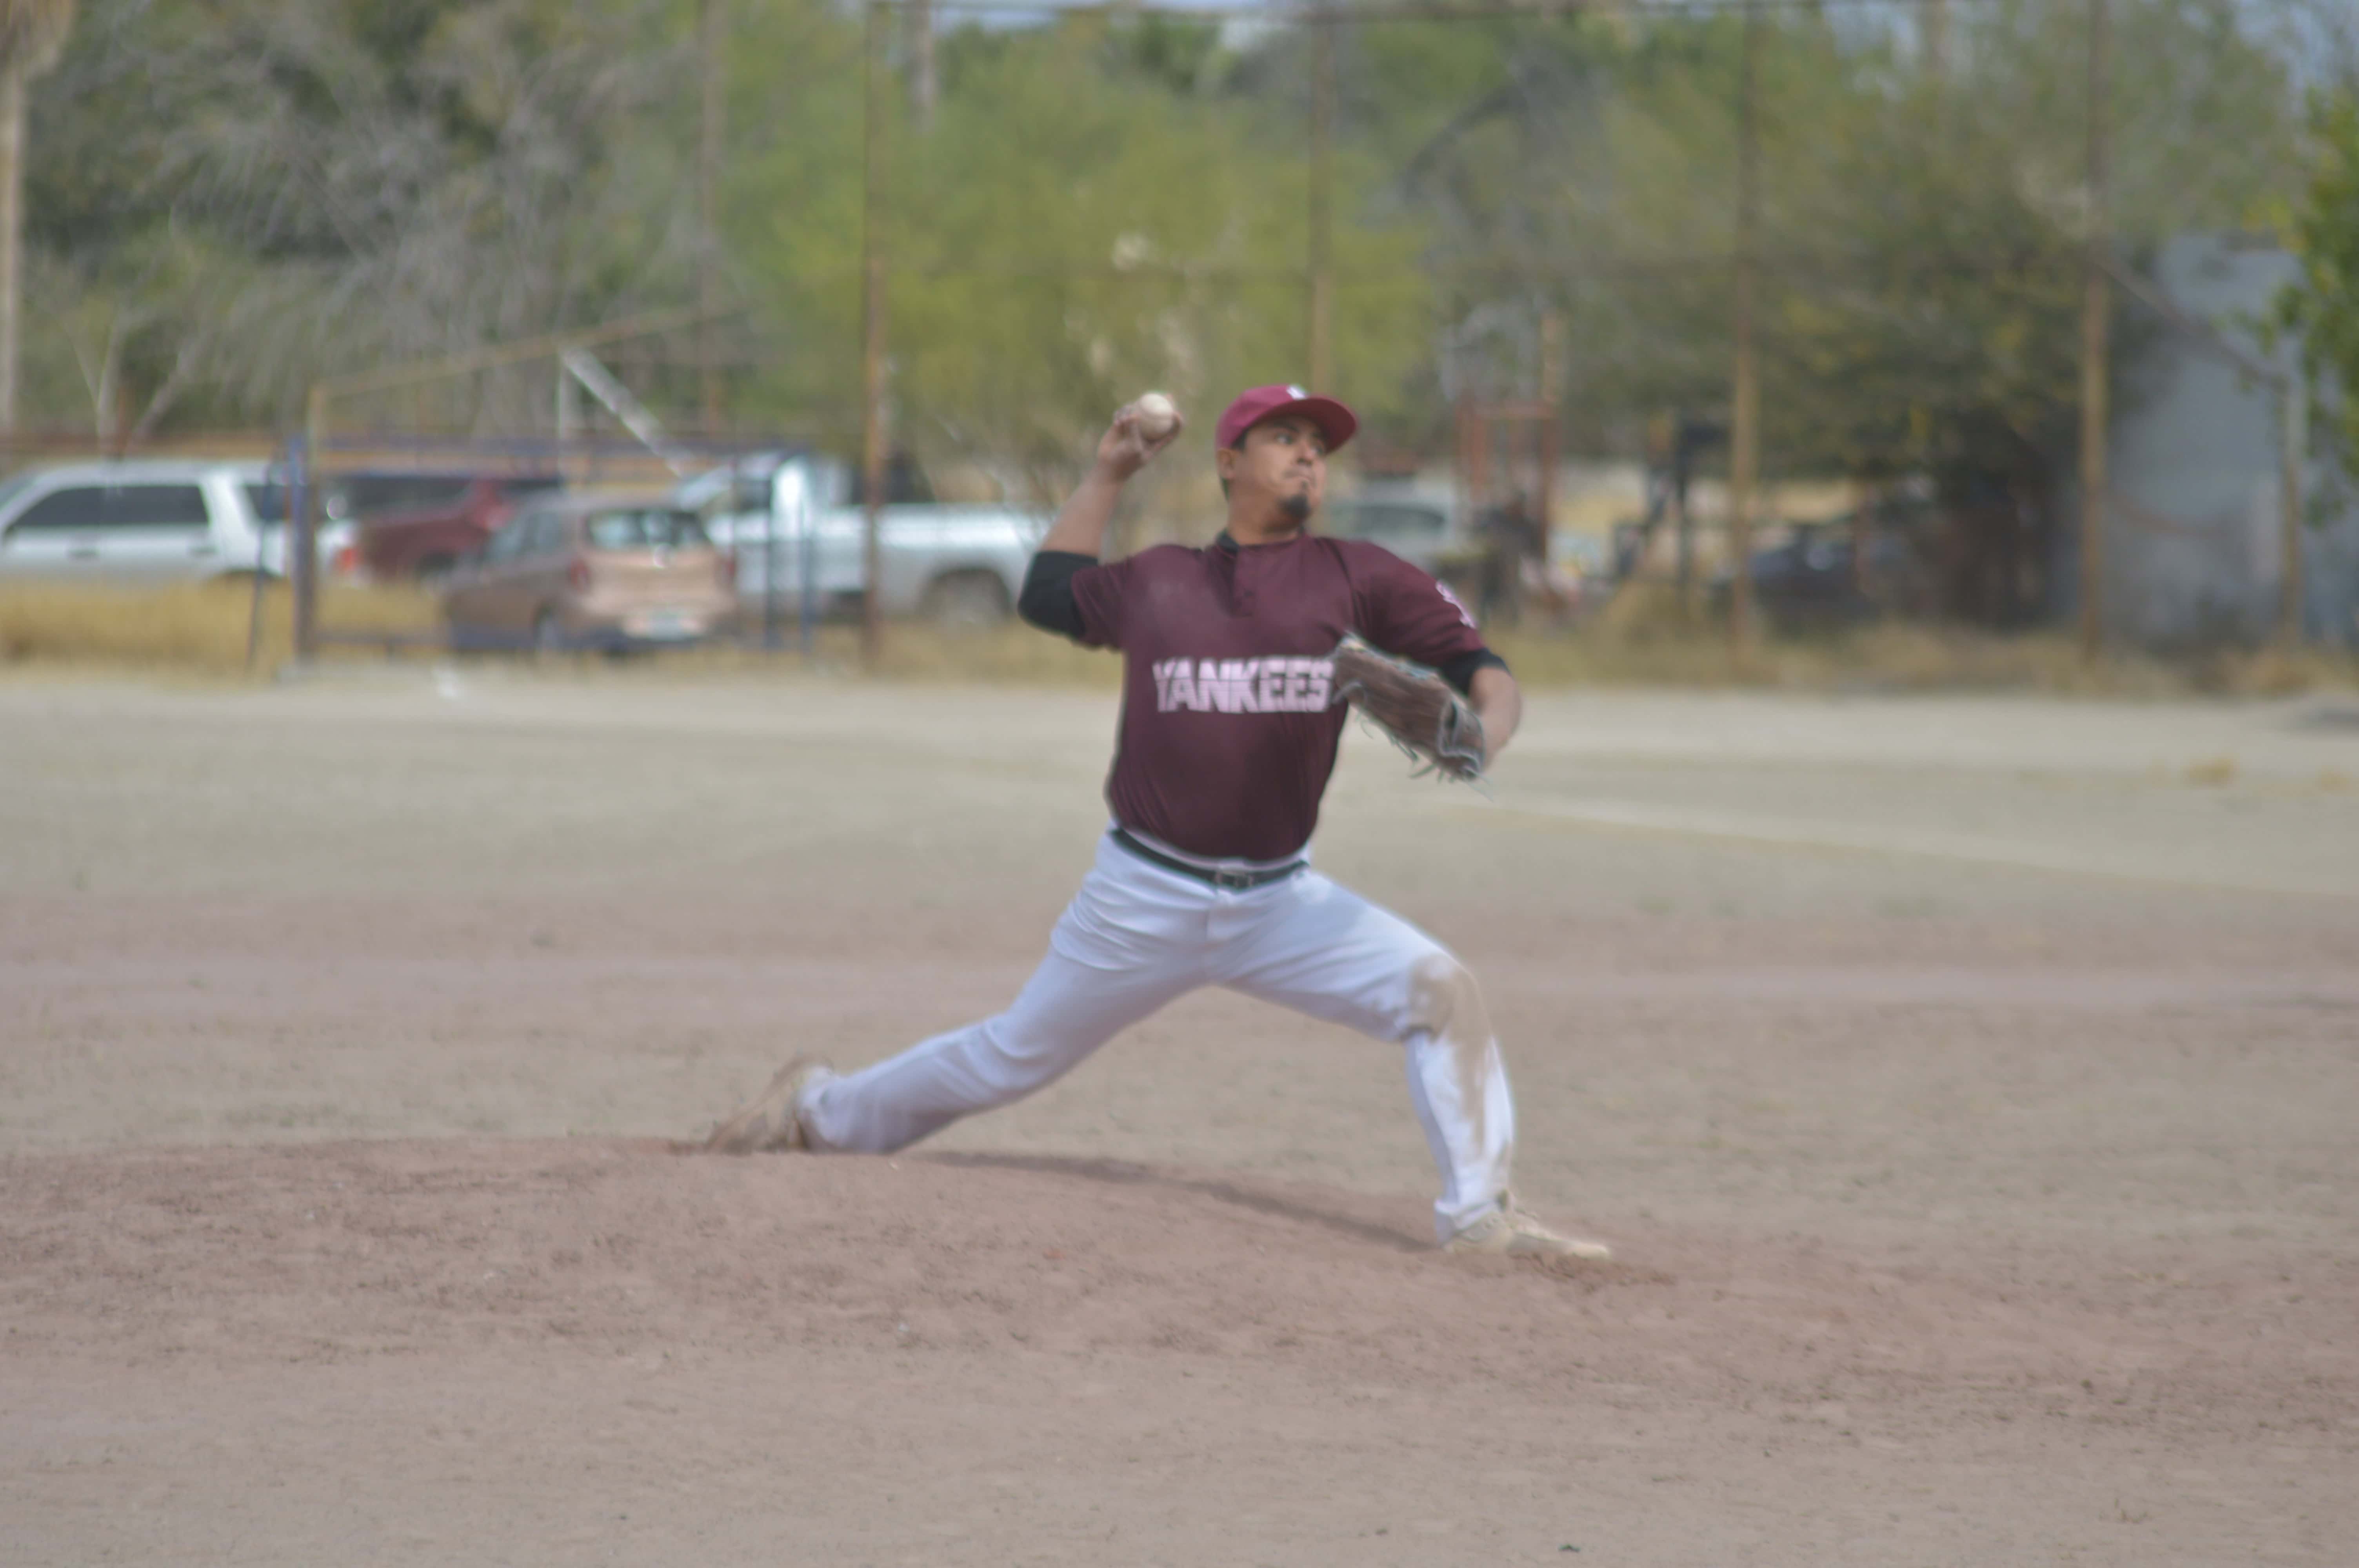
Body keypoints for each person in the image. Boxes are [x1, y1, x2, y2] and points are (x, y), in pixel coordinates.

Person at [702, 384, 1609, 1260]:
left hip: (1279, 901)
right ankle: (815, 1112)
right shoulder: (1163, 580)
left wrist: (1485, 734)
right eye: (1284, 437)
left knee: (1442, 992)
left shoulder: (1358, 575)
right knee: (1009, 1057)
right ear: (1228, 461)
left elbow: (1484, 666)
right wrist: (1107, 474)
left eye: (1318, 446)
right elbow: (1049, 596)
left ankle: (1481, 1220)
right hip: (1141, 894)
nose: (1307, 455)